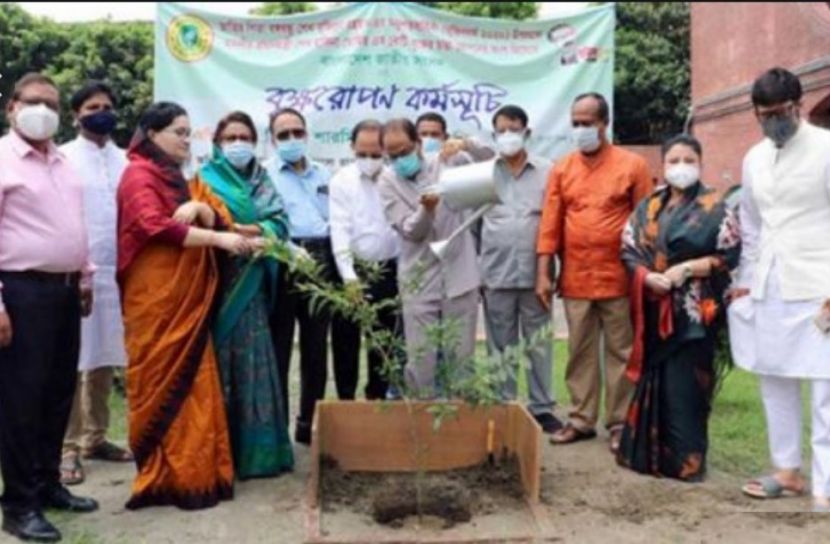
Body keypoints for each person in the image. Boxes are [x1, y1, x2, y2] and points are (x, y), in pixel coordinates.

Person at [117, 101, 254, 510]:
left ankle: (198, 473)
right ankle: (164, 476)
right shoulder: (137, 175)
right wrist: (218, 239)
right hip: (156, 302)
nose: (184, 139)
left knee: (196, 382)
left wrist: (204, 210)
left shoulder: (180, 179)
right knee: (162, 383)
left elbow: (223, 218)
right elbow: (152, 226)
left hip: (187, 303)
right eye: (178, 131)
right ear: (152, 133)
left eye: (187, 131)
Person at [0, 73, 98, 543]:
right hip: (21, 292)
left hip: (64, 292)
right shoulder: (1, 160)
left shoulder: (62, 162)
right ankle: (18, 504)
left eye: (52, 104)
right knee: (21, 401)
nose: (44, 110)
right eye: (34, 101)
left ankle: (47, 484)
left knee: (59, 393)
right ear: (11, 108)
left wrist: (84, 275)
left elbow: (73, 225)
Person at [729, 68, 830, 512]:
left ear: (800, 105)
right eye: (764, 115)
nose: (774, 122)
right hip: (769, 282)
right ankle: (787, 470)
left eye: (782, 113)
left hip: (819, 282)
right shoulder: (754, 158)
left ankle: (827, 485)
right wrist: (744, 283)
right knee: (775, 377)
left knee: (827, 387)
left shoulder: (827, 150)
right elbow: (751, 224)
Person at [616, 134, 741, 481]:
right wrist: (644, 275)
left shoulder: (717, 205)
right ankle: (649, 457)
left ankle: (687, 461)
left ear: (700, 164)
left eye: (689, 160)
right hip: (654, 308)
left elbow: (729, 255)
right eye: (674, 160)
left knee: (687, 386)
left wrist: (688, 268)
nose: (681, 167)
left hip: (695, 314)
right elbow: (627, 247)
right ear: (663, 164)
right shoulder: (649, 205)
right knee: (656, 381)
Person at [536, 92, 653, 452]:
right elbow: (550, 224)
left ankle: (619, 422)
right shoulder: (562, 168)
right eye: (576, 123)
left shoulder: (632, 166)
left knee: (620, 351)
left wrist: (646, 275)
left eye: (588, 122)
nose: (581, 129)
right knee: (579, 351)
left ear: (604, 124)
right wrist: (544, 272)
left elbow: (646, 223)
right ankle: (581, 419)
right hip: (576, 279)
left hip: (619, 278)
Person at [198, 111, 294, 479]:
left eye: (245, 137)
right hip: (219, 286)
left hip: (254, 285)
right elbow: (201, 226)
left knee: (254, 363)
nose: (238, 144)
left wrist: (245, 229)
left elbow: (281, 223)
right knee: (220, 363)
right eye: (231, 137)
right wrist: (235, 232)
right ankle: (223, 453)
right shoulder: (204, 180)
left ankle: (260, 455)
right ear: (218, 144)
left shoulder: (262, 178)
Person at [265, 108, 357, 444]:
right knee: (278, 346)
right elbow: (263, 220)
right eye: (284, 134)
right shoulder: (265, 175)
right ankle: (276, 431)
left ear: (306, 134)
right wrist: (287, 248)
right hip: (284, 260)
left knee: (316, 348)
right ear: (273, 140)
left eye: (297, 132)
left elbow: (338, 216)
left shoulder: (324, 174)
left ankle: (308, 426)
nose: (292, 139)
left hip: (323, 259)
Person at [60, 81, 132, 487]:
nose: (100, 112)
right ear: (76, 115)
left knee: (104, 355)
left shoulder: (126, 160)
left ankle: (96, 437)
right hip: (76, 272)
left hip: (117, 272)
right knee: (72, 359)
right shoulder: (63, 158)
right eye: (92, 106)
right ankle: (66, 447)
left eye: (107, 105)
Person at [378, 118, 480, 398]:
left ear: (419, 144)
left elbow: (493, 168)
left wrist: (467, 142)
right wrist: (427, 210)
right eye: (393, 155)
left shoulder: (447, 161)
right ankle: (423, 426)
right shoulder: (387, 181)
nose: (401, 159)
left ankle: (461, 425)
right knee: (420, 360)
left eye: (405, 151)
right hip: (419, 278)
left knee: (461, 358)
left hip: (460, 273)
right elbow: (411, 231)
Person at [478, 105, 559, 433]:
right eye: (501, 130)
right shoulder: (484, 175)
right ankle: (505, 405)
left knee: (538, 342)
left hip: (535, 275)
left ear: (526, 132)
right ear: (494, 134)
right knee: (501, 344)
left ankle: (542, 407)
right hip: (495, 274)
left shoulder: (548, 172)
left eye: (514, 129)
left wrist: (551, 271)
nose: (508, 135)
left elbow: (553, 223)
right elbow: (472, 227)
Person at [329, 120, 403, 400]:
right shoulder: (341, 181)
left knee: (383, 345)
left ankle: (377, 402)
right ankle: (346, 402)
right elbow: (340, 229)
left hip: (390, 271)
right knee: (345, 342)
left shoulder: (397, 178)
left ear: (385, 151)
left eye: (375, 154)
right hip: (352, 271)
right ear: (351, 148)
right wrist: (349, 277)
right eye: (362, 154)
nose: (369, 160)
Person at [415, 111, 495, 165]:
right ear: (415, 137)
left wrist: (465, 143)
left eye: (435, 134)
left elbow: (490, 156)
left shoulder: (456, 157)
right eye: (423, 134)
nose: (428, 138)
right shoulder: (409, 163)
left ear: (445, 137)